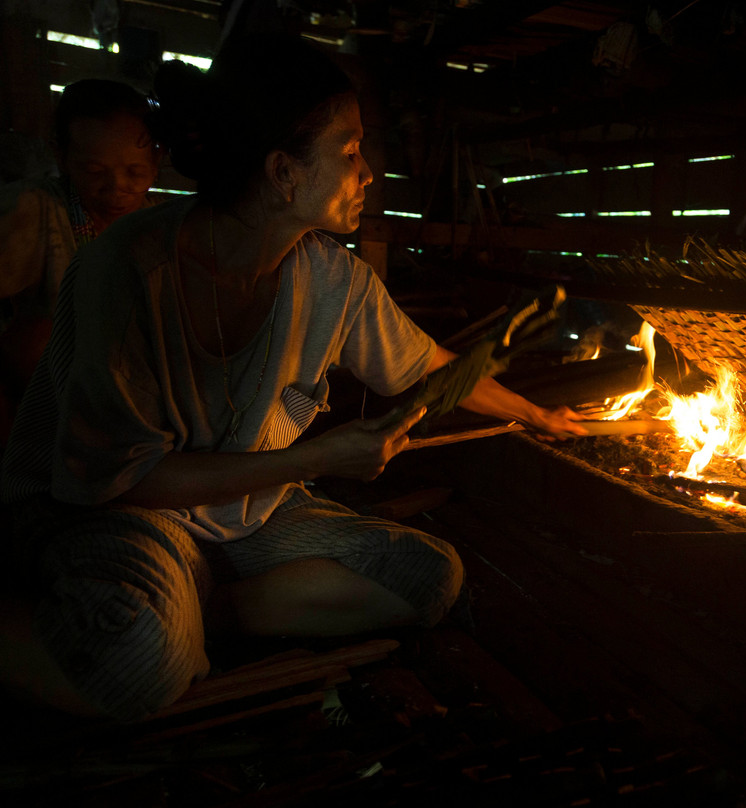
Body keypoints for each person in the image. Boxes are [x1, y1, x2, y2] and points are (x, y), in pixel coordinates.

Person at [0, 34, 586, 722]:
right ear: (282, 171)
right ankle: (143, 612)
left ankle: (207, 610)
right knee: (136, 664)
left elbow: (429, 367)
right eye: (348, 153)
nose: (367, 172)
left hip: (245, 518)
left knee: (428, 577)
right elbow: (128, 479)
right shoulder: (130, 273)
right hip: (117, 511)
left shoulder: (334, 279)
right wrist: (316, 458)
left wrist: (538, 416)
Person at [0, 79, 162, 438]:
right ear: (62, 157)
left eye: (135, 172)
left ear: (157, 161)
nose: (117, 186)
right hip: (43, 403)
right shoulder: (35, 211)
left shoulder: (159, 229)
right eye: (94, 171)